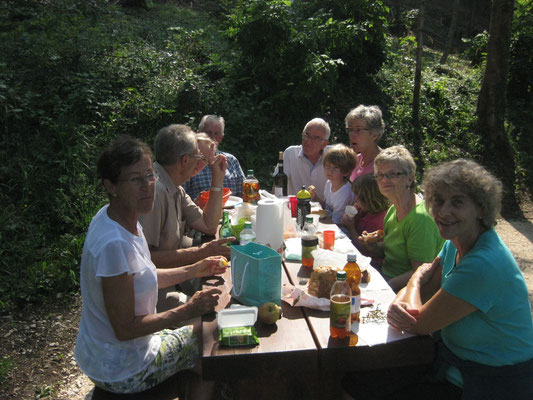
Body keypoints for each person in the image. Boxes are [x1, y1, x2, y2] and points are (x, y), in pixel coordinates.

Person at [75, 136, 226, 395]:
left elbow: (143, 275)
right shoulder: (114, 244)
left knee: (203, 332)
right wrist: (188, 309)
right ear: (111, 186)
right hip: (122, 368)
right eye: (135, 179)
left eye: (149, 175)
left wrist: (195, 268)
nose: (147, 186)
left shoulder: (120, 217)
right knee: (210, 342)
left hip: (107, 354)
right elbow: (126, 329)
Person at [384, 159, 533, 399]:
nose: (443, 212)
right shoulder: (456, 243)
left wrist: (413, 281)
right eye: (438, 201)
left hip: (494, 384)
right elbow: (425, 295)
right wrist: (412, 290)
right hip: (455, 368)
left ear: (481, 209)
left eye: (458, 202)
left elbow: (419, 323)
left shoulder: (482, 264)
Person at [139, 124, 234, 311]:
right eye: (199, 158)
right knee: (215, 314)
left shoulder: (176, 187)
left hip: (173, 280)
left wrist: (218, 180)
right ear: (184, 160)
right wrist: (200, 253)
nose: (201, 164)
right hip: (152, 295)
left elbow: (208, 226)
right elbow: (143, 260)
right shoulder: (155, 193)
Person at [360, 145, 444, 292]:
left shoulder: (420, 219)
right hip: (385, 276)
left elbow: (422, 273)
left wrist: (383, 287)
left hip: (403, 290)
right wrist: (373, 247)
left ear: (410, 179)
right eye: (380, 175)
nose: (384, 180)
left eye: (392, 174)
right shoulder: (393, 209)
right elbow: (392, 252)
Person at [184, 115, 245, 200]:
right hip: (199, 211)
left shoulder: (231, 160)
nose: (212, 138)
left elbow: (243, 192)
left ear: (222, 137)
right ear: (198, 134)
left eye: (216, 133)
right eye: (208, 133)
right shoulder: (190, 161)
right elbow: (180, 199)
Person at [341, 173, 389, 266]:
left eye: (359, 197)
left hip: (369, 263)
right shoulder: (364, 210)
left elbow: (364, 249)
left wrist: (351, 228)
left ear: (369, 199)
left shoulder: (379, 221)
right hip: (354, 253)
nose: (356, 200)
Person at [280, 117, 331, 196]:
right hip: (295, 207)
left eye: (315, 138)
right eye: (306, 135)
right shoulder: (290, 154)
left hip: (325, 208)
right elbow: (278, 185)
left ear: (324, 144)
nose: (308, 140)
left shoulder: (333, 156)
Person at [309, 143, 356, 224]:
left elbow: (337, 221)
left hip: (341, 229)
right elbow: (327, 208)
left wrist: (315, 221)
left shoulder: (344, 193)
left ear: (346, 171)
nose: (330, 171)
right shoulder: (329, 183)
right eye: (328, 166)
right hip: (330, 222)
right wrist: (315, 197)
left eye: (336, 168)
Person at [345, 105, 384, 182]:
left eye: (358, 130)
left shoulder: (385, 164)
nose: (352, 135)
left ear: (374, 134)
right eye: (350, 129)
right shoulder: (355, 161)